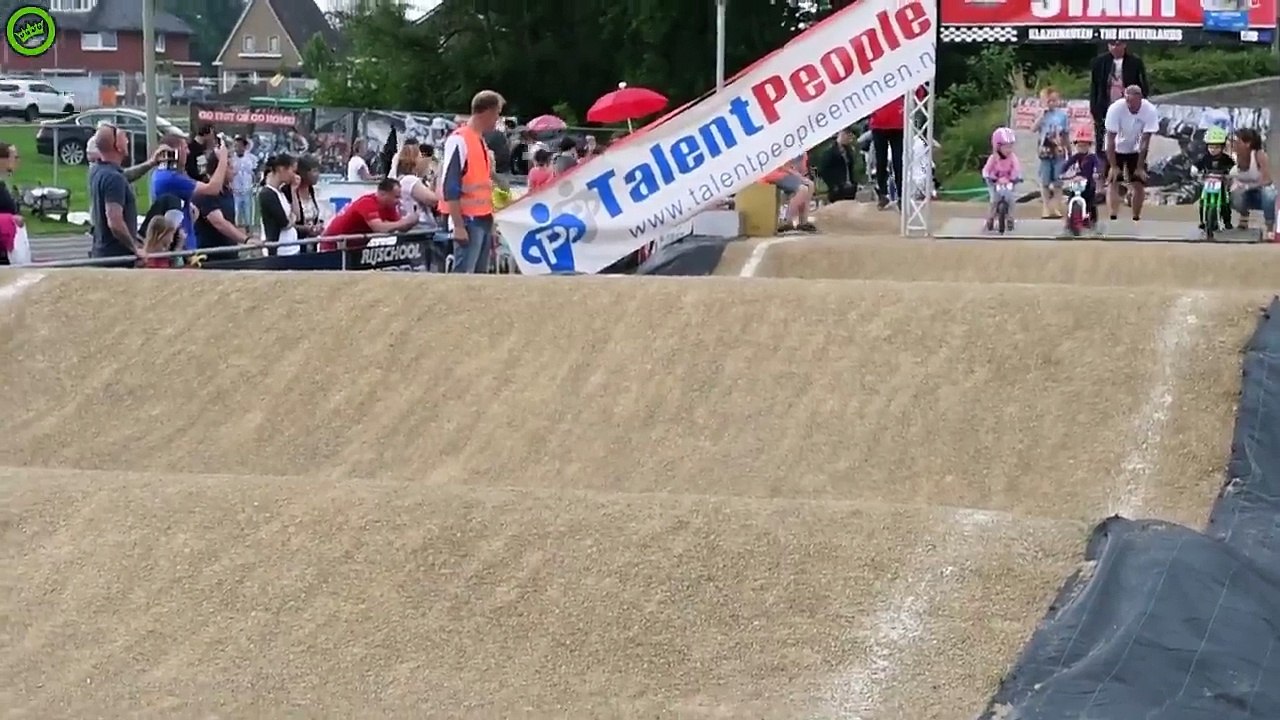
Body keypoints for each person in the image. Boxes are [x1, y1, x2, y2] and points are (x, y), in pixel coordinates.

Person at [438, 89, 505, 274]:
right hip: (468, 220)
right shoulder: (460, 140)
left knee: (477, 277)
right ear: (488, 112)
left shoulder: (478, 140)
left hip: (481, 218)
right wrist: (458, 225)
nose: (497, 119)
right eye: (497, 114)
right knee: (465, 275)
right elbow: (450, 185)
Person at [151, 131, 229, 251]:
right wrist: (223, 159)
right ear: (175, 151)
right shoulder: (171, 178)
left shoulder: (164, 174)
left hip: (183, 241)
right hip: (180, 246)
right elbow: (213, 188)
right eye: (185, 148)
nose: (188, 152)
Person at [89, 125, 147, 266]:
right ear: (117, 146)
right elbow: (115, 222)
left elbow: (125, 175)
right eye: (124, 137)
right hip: (116, 259)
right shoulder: (114, 178)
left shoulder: (98, 170)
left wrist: (151, 163)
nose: (127, 141)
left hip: (101, 254)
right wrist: (135, 248)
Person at [1090, 41, 1148, 177]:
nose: (1115, 47)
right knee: (1104, 143)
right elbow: (1094, 87)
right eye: (1112, 44)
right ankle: (1106, 175)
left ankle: (1134, 173)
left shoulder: (1135, 62)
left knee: (1131, 142)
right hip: (1105, 109)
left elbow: (1143, 85)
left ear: (1125, 45)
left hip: (1129, 110)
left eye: (1118, 44)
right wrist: (1094, 109)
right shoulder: (1099, 62)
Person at [1103, 85, 1158, 222]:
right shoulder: (1115, 109)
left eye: (1132, 102)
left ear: (1140, 99)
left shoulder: (1149, 110)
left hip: (1136, 148)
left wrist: (1139, 167)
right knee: (1113, 181)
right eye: (1127, 101)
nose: (1129, 105)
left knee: (1138, 183)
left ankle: (1136, 217)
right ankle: (1113, 216)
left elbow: (1145, 141)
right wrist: (1113, 166)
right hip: (1116, 147)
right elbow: (1110, 139)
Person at [320, 178, 418, 251]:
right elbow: (380, 228)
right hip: (333, 244)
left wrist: (412, 221)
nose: (398, 201)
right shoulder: (367, 203)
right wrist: (405, 221)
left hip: (353, 246)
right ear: (383, 194)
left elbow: (399, 227)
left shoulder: (389, 207)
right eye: (396, 197)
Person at [192, 153, 251, 257]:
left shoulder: (227, 191)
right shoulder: (206, 193)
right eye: (230, 167)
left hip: (230, 254)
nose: (235, 171)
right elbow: (219, 223)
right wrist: (246, 239)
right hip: (212, 258)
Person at [1031, 86, 1069, 219]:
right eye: (1049, 101)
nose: (1052, 103)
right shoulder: (1040, 114)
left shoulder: (1062, 115)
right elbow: (1033, 129)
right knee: (1045, 181)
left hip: (1058, 151)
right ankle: (1046, 208)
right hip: (1045, 152)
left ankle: (1057, 207)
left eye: (1054, 100)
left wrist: (1068, 151)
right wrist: (1042, 114)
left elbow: (1065, 134)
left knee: (1058, 182)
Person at [1230, 128, 1276, 235]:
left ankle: (1270, 228)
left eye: (1237, 142)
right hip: (1243, 194)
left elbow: (1267, 180)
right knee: (1234, 194)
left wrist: (1247, 187)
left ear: (1248, 144)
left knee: (1269, 193)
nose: (1234, 144)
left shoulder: (1259, 155)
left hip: (1259, 193)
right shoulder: (1232, 157)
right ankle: (1243, 219)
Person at [1191, 126, 1236, 231]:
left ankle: (1227, 221)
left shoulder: (1226, 159)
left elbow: (1233, 166)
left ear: (1222, 147)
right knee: (1202, 200)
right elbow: (1198, 164)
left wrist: (1232, 172)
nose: (1213, 150)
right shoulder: (1205, 158)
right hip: (1208, 183)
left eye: (1216, 147)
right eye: (1211, 147)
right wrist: (1195, 169)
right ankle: (1202, 220)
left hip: (1221, 184)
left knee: (1225, 201)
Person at [258, 153, 301, 255]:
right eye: (292, 171)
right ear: (282, 169)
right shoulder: (267, 194)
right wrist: (291, 218)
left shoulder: (281, 192)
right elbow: (284, 223)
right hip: (280, 250)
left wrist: (293, 191)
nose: (294, 175)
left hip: (292, 248)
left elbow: (297, 216)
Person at [982, 127, 1022, 231]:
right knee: (993, 200)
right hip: (995, 183)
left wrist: (1015, 177)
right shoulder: (993, 158)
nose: (1009, 150)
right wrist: (989, 177)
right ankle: (990, 218)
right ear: (997, 147)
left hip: (1009, 182)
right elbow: (986, 170)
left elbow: (1016, 169)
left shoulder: (1013, 158)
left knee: (1011, 200)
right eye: (1006, 147)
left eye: (1011, 147)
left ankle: (1010, 218)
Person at [1060, 124, 1101, 226]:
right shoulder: (1076, 157)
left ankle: (1092, 219)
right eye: (1079, 145)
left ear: (1089, 145)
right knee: (1071, 198)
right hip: (1077, 182)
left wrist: (1096, 172)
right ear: (1076, 145)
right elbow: (1067, 164)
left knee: (1091, 201)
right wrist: (1061, 172)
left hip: (1089, 182)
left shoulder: (1092, 157)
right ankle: (1069, 219)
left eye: (1084, 145)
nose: (1082, 148)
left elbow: (1098, 165)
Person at [764, 155, 816, 232]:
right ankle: (788, 220)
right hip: (776, 174)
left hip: (788, 175)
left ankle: (803, 221)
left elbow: (801, 171)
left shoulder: (803, 155)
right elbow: (781, 166)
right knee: (803, 189)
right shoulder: (787, 150)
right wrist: (797, 175)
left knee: (810, 185)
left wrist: (799, 174)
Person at [818, 129, 859, 203]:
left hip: (849, 187)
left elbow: (850, 168)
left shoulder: (848, 151)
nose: (849, 138)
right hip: (838, 188)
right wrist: (833, 185)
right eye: (847, 135)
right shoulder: (830, 152)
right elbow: (823, 170)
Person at [229, 136, 260, 232]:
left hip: (247, 188)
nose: (237, 148)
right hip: (235, 189)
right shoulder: (231, 159)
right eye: (236, 146)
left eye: (239, 146)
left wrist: (255, 184)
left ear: (244, 146)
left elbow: (256, 171)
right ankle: (235, 231)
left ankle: (248, 230)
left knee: (247, 210)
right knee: (235, 211)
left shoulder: (251, 158)